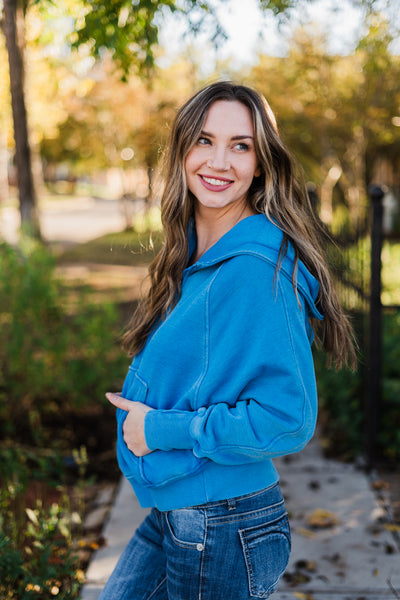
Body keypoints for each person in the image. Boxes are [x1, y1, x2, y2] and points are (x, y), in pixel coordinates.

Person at [101, 81, 356, 600]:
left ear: (261, 162)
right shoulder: (198, 253)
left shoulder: (257, 269)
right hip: (184, 509)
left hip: (222, 522)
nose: (220, 161)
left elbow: (287, 417)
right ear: (182, 151)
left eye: (240, 145)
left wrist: (161, 429)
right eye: (204, 140)